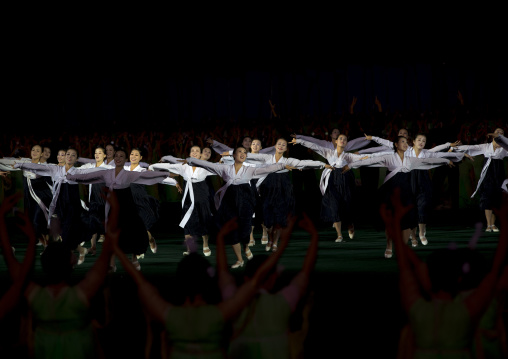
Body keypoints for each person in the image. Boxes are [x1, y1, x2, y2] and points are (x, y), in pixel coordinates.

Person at [113, 215, 295, 359]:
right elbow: (256, 280)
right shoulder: (219, 314)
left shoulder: (170, 315)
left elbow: (140, 282)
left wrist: (114, 247)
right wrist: (283, 243)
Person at [381, 188, 508, 359]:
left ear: (430, 279)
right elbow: (496, 270)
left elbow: (406, 269)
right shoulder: (467, 311)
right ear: (458, 278)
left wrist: (395, 226)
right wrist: (506, 224)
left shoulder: (419, 310)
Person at [0, 190, 122, 359]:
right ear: (72, 263)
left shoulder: (35, 297)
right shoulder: (81, 295)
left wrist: (4, 222)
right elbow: (106, 253)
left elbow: (10, 259)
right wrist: (113, 214)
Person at [182, 147, 298, 268]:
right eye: (239, 152)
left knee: (244, 228)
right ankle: (239, 259)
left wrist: (283, 166)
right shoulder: (225, 168)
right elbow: (206, 164)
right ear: (233, 155)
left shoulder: (249, 169)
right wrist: (191, 160)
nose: (242, 154)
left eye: (244, 152)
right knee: (232, 229)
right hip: (229, 200)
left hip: (245, 200)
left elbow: (267, 168)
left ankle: (246, 247)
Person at [343, 136, 456, 258]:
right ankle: (389, 245)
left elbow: (427, 161)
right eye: (402, 142)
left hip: (406, 193)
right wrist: (351, 165)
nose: (405, 144)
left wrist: (445, 160)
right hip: (392, 192)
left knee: (408, 221)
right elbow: (370, 160)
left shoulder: (410, 159)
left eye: (406, 142)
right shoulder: (389, 157)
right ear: (396, 145)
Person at [227, 213, 319, 359]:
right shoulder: (283, 302)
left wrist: (221, 238)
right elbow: (305, 273)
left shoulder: (234, 303)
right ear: (274, 277)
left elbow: (223, 276)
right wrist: (314, 236)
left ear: (246, 278)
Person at [65, 148, 172, 271]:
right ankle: (111, 263)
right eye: (116, 156)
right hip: (112, 205)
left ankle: (134, 258)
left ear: (125, 159)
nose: (118, 158)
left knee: (132, 231)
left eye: (121, 156)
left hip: (127, 205)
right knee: (111, 233)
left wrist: (166, 174)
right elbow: (89, 176)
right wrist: (72, 177)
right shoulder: (107, 173)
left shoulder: (128, 173)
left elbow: (146, 175)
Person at [14, 148, 104, 264]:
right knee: (59, 233)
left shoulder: (78, 171)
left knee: (67, 233)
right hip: (59, 205)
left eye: (73, 155)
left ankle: (70, 257)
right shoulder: (55, 169)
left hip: (72, 208)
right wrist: (20, 165)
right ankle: (80, 251)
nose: (69, 156)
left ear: (76, 159)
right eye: (68, 154)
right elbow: (39, 168)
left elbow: (100, 171)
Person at [243, 138, 332, 252]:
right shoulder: (267, 158)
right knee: (268, 220)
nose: (281, 146)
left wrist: (322, 164)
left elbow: (303, 163)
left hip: (282, 190)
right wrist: (229, 155)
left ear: (286, 148)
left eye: (283, 145)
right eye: (279, 144)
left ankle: (275, 242)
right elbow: (249, 156)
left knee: (280, 217)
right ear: (275, 146)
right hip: (268, 189)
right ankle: (271, 239)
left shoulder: (288, 161)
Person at [291, 134, 377, 241]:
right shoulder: (328, 152)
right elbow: (314, 146)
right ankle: (339, 234)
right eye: (340, 138)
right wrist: (300, 141)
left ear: (346, 143)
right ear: (336, 141)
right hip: (332, 180)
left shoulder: (348, 156)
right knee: (334, 205)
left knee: (347, 205)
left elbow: (362, 158)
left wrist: (373, 156)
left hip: (345, 180)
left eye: (345, 139)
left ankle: (350, 223)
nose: (342, 140)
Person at [150, 145, 216, 257]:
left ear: (200, 154)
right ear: (189, 154)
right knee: (187, 223)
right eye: (192, 151)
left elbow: (221, 168)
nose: (194, 152)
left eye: (197, 151)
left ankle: (205, 244)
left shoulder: (205, 166)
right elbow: (167, 164)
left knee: (203, 221)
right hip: (188, 199)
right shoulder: (183, 166)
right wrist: (152, 166)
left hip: (202, 198)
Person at [452, 128, 507, 232]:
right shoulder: (486, 147)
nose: (500, 134)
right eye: (498, 132)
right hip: (488, 173)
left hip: (498, 173)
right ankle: (488, 225)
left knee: (496, 198)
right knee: (487, 197)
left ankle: (493, 224)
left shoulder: (504, 148)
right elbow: (471, 147)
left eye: (502, 133)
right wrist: (457, 148)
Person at [77, 146, 114, 255]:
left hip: (104, 200)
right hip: (93, 200)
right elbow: (77, 169)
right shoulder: (90, 166)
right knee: (93, 220)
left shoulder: (108, 168)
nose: (97, 155)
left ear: (104, 155)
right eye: (95, 153)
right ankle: (93, 247)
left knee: (105, 224)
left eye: (100, 153)